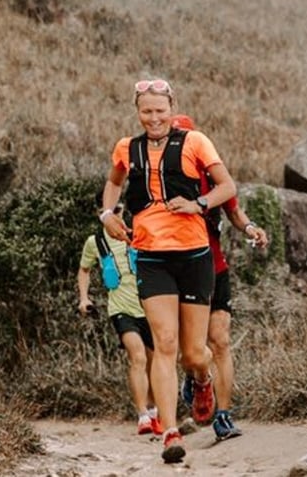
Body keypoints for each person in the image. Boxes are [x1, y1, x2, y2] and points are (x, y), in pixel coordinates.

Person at [99, 74, 236, 464]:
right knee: (165, 344)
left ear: (172, 109)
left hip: (193, 255)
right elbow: (112, 184)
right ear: (138, 112)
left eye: (160, 111)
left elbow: (226, 187)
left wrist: (199, 204)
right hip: (152, 255)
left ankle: (202, 380)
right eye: (146, 112)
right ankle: (171, 432)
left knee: (194, 353)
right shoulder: (127, 148)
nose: (154, 118)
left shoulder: (196, 142)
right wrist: (108, 213)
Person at [170, 114, 270, 442]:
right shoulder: (161, 180)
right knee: (191, 351)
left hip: (215, 269)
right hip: (179, 273)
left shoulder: (213, 176)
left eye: (185, 137)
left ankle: (224, 417)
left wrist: (252, 228)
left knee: (221, 340)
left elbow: (235, 212)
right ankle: (199, 377)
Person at [76, 208, 161, 437]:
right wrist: (84, 298)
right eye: (111, 211)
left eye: (119, 209)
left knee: (154, 361)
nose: (117, 214)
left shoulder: (138, 232)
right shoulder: (96, 242)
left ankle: (154, 412)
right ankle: (142, 415)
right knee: (138, 357)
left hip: (149, 306)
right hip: (121, 308)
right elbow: (84, 270)